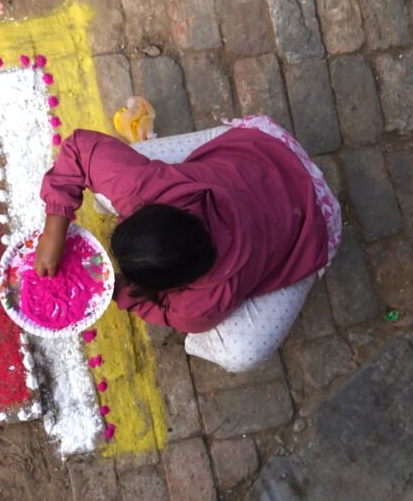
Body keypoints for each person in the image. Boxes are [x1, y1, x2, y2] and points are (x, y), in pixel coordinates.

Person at [33, 115, 342, 373]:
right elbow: (80, 149)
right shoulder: (157, 187)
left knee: (240, 353)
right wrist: (54, 228)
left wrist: (112, 291)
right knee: (110, 186)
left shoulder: (202, 304)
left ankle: (202, 345)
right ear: (154, 208)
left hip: (314, 223)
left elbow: (165, 310)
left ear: (173, 286)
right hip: (268, 150)